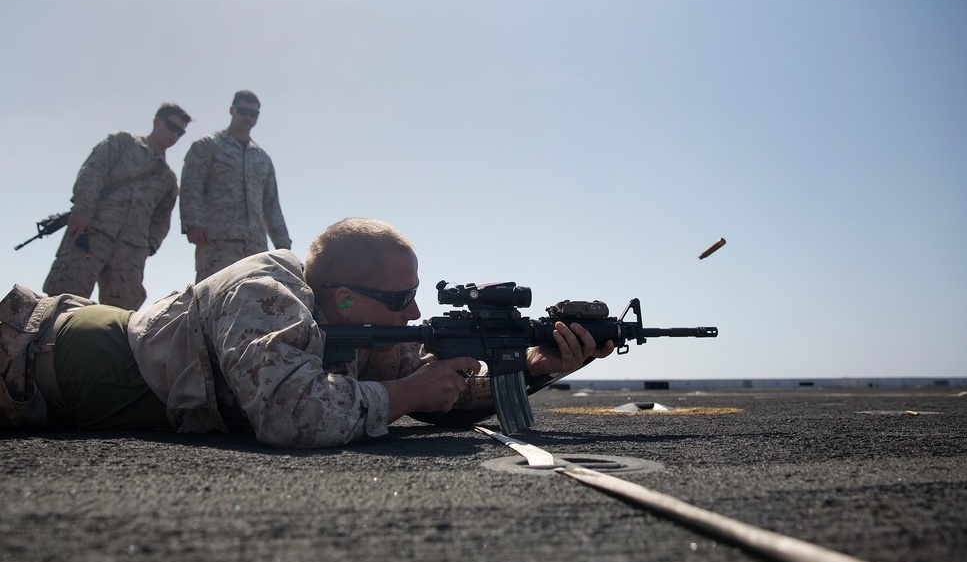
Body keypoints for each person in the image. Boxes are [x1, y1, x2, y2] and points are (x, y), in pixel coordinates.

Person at [1, 218, 613, 447]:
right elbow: (293, 414)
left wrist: (534, 366)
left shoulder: (362, 323)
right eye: (400, 298)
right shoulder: (262, 292)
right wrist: (403, 398)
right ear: (343, 297)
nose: (411, 314)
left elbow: (434, 390)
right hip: (29, 358)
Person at [42, 103, 192, 310]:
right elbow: (92, 173)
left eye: (180, 132)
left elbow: (162, 218)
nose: (174, 134)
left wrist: (149, 246)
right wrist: (82, 211)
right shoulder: (123, 143)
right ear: (157, 121)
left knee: (121, 316)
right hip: (92, 233)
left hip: (130, 252)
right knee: (64, 301)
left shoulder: (168, 179)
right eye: (171, 127)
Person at [180, 90, 291, 282]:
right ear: (232, 110)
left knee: (254, 299)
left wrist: (283, 245)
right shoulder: (208, 146)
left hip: (255, 246)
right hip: (217, 241)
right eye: (243, 111)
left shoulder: (262, 158)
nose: (247, 117)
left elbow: (271, 204)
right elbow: (192, 185)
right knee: (213, 299)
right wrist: (192, 223)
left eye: (253, 113)